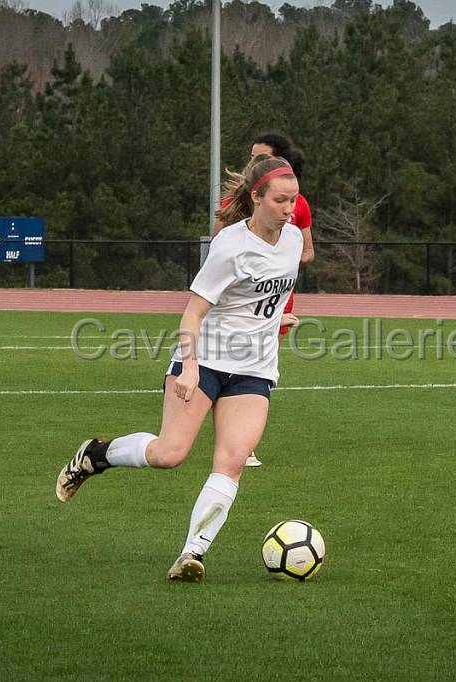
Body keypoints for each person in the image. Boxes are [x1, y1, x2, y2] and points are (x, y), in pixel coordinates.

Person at [55, 154, 302, 583]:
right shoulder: (230, 245)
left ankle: (192, 554)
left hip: (254, 369)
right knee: (169, 454)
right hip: (203, 360)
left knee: (233, 460)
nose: (289, 209)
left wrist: (273, 318)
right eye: (280, 200)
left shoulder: (295, 240)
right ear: (256, 197)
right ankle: (96, 453)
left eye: (294, 201)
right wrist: (188, 368)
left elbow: (263, 297)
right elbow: (192, 314)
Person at [215, 131, 315, 467]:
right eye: (252, 156)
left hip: (273, 297)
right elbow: (220, 246)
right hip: (235, 301)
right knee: (170, 450)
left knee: (259, 356)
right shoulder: (232, 206)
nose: (253, 162)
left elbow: (307, 250)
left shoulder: (296, 206)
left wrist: (278, 261)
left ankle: (242, 440)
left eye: (261, 157)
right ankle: (233, 436)